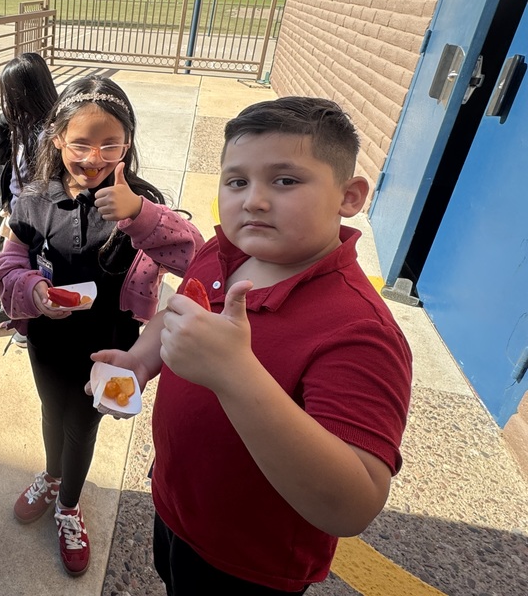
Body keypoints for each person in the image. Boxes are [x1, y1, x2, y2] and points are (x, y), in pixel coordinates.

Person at [93, 96, 413, 594]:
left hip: (251, 561)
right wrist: (139, 359)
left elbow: (353, 503)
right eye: (237, 181)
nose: (255, 201)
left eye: (285, 180)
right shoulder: (221, 251)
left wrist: (234, 373)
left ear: (349, 196)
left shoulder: (359, 331)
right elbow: (178, 310)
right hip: (177, 503)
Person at [0, 75, 203, 577]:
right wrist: (31, 291)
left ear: (128, 144)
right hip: (48, 336)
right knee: (52, 410)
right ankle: (50, 474)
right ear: (57, 139)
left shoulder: (139, 201)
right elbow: (8, 260)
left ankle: (68, 503)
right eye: (81, 143)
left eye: (110, 143)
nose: (94, 157)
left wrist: (139, 214)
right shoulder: (34, 199)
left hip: (110, 343)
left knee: (82, 424)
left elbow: (194, 256)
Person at [0, 52, 59, 340]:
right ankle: (14, 310)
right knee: (12, 264)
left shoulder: (50, 134)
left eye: (9, 95)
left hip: (35, 217)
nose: (6, 103)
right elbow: (0, 156)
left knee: (28, 266)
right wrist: (4, 124)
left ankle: (23, 318)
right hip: (15, 208)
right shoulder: (20, 125)